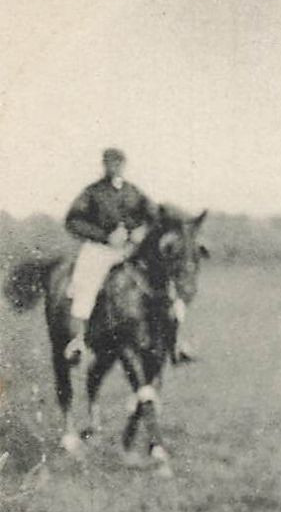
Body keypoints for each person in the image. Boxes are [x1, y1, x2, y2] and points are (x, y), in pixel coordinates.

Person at [61, 148, 192, 365]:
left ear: (124, 165)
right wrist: (105, 236)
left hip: (130, 249)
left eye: (119, 163)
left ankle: (175, 341)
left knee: (164, 282)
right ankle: (78, 342)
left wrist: (142, 229)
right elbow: (72, 221)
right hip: (99, 250)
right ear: (104, 165)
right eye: (111, 163)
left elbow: (155, 215)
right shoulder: (92, 193)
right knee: (85, 284)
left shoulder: (133, 192)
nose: (115, 167)